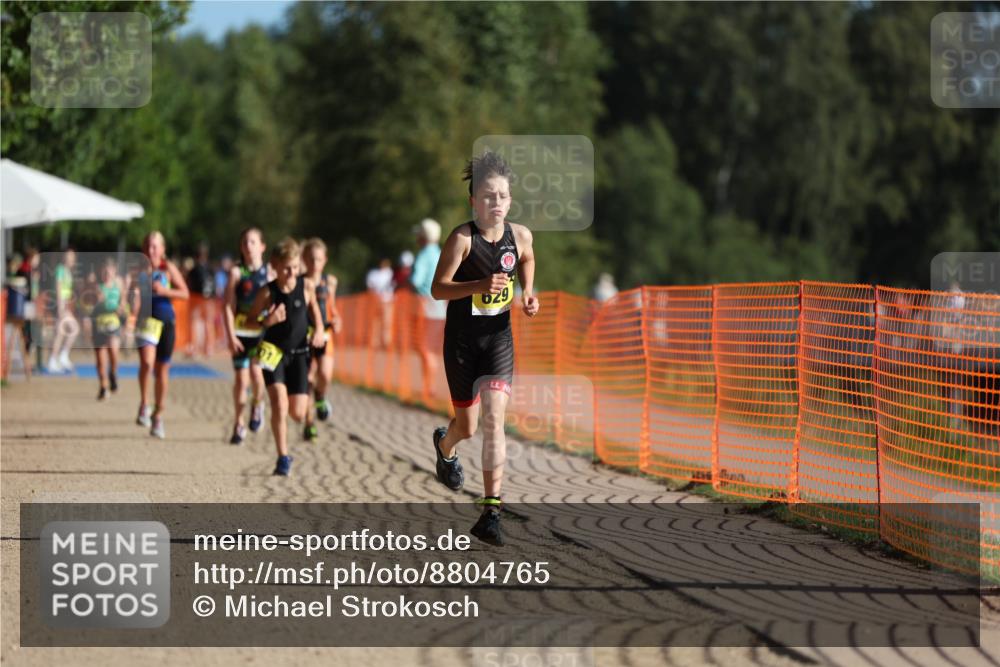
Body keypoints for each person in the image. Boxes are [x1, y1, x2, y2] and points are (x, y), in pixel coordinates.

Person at [430, 151, 539, 546]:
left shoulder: (520, 235)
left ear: (510, 200)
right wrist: (477, 286)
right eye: (488, 196)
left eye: (503, 196)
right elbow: (437, 288)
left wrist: (527, 292)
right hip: (460, 343)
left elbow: (526, 258)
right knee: (468, 427)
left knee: (494, 420)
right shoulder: (462, 238)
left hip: (498, 340)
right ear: (473, 200)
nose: (496, 203)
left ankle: (491, 511)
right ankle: (445, 446)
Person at [246, 238, 325, 476]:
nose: (291, 273)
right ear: (275, 265)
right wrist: (267, 321)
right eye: (286, 268)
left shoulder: (307, 286)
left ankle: (294, 431)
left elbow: (314, 311)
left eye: (295, 267)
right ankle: (282, 457)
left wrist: (319, 329)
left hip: (300, 354)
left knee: (297, 413)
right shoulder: (267, 292)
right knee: (279, 404)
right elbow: (250, 321)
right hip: (274, 353)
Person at [133, 231, 190, 439]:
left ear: (163, 249)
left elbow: (184, 293)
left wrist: (165, 292)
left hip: (167, 321)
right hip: (146, 321)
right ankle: (144, 403)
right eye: (148, 245)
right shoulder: (139, 269)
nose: (151, 250)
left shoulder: (168, 269)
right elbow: (131, 294)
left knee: (162, 370)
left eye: (155, 246)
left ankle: (158, 415)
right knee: (147, 364)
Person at [222, 228, 271, 445]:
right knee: (241, 380)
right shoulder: (236, 273)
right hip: (240, 334)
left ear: (262, 246)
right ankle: (239, 422)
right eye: (244, 242)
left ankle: (258, 404)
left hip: (261, 333)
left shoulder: (270, 273)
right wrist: (230, 336)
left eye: (252, 242)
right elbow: (226, 307)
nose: (248, 246)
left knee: (256, 373)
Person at [302, 238, 342, 441]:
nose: (314, 263)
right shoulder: (301, 282)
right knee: (308, 379)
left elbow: (332, 308)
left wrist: (336, 320)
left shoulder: (330, 281)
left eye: (318, 259)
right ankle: (309, 424)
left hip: (325, 335)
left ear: (324, 260)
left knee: (325, 375)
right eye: (310, 259)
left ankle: (321, 396)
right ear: (303, 259)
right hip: (306, 337)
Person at [410, 218, 446, 403]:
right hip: (440, 308)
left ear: (423, 236)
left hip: (425, 307)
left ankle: (429, 387)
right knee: (431, 348)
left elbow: (416, 280)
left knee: (423, 347)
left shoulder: (424, 255)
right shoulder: (441, 253)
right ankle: (429, 386)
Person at [91, 257, 127, 400]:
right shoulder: (96, 285)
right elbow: (92, 302)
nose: (106, 274)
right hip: (99, 322)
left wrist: (121, 308)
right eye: (104, 271)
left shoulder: (118, 283)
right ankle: (103, 386)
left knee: (113, 351)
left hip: (113, 321)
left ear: (114, 271)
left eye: (109, 271)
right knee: (100, 358)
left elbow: (123, 299)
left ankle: (113, 372)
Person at [47, 248, 80, 373]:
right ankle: (58, 358)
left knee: (62, 333)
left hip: (64, 304)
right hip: (60, 305)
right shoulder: (61, 270)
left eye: (72, 257)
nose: (71, 259)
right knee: (69, 330)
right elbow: (58, 287)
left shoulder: (68, 271)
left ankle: (57, 358)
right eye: (69, 256)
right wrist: (61, 306)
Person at [186, 243, 216, 357]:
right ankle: (208, 347)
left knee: (196, 323)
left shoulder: (194, 270)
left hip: (197, 299)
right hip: (209, 300)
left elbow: (189, 284)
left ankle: (195, 347)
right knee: (208, 323)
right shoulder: (211, 269)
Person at [366, 258, 395, 348]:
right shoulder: (373, 274)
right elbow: (370, 287)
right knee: (375, 322)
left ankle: (386, 342)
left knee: (387, 322)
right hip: (375, 301)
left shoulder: (391, 273)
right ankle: (374, 342)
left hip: (387, 301)